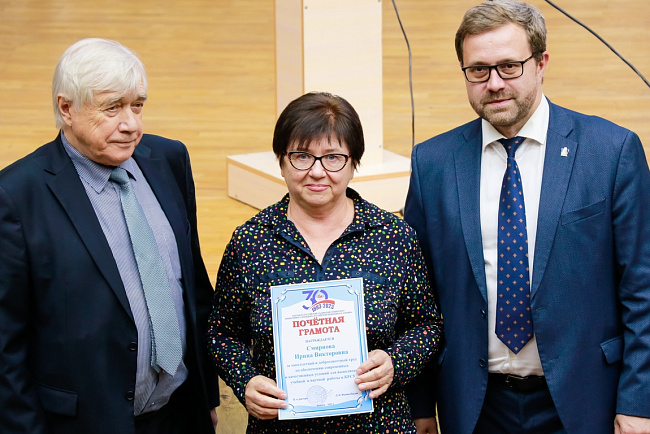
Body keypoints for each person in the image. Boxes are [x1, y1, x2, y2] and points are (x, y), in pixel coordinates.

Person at [404, 1, 650, 433]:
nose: (494, 83)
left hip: (585, 399)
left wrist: (639, 402)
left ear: (541, 64)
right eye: (478, 70)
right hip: (476, 406)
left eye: (509, 66)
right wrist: (421, 405)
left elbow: (642, 290)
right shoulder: (433, 163)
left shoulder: (611, 152)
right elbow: (418, 300)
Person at [0, 38, 219, 433]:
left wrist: (206, 399)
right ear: (66, 109)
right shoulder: (16, 196)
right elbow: (5, 345)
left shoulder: (169, 160)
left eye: (137, 105)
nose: (131, 124)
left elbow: (193, 288)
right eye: (112, 108)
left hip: (179, 414)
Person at [207, 91, 442, 433]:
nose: (317, 172)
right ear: (281, 161)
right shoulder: (251, 242)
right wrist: (246, 381)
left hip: (379, 425)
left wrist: (396, 362)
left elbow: (427, 324)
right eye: (302, 156)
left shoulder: (393, 237)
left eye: (333, 157)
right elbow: (221, 333)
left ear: (353, 163)